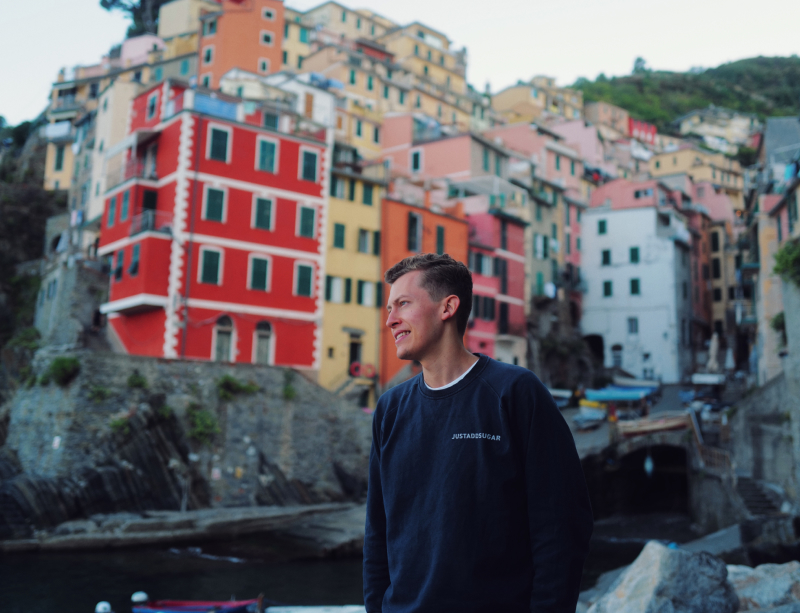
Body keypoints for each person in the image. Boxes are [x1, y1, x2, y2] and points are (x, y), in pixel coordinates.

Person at [364, 253, 593, 613]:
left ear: (447, 307)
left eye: (403, 305)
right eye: (389, 308)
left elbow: (562, 526)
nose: (390, 320)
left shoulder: (516, 393)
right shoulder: (389, 410)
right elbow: (377, 531)